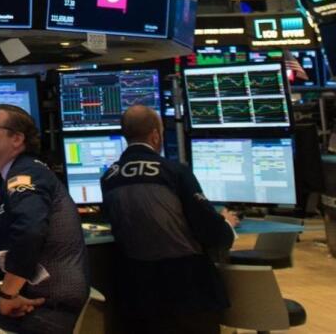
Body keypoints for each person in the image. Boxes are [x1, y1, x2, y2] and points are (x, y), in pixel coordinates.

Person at [0, 104, 88, 334]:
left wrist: (7, 293)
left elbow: (30, 230)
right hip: (11, 305)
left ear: (17, 139)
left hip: (41, 308)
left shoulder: (27, 174)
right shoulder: (6, 179)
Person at [100, 105, 238, 334]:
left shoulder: (109, 177)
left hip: (138, 292)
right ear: (155, 134)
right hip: (188, 290)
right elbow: (211, 232)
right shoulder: (174, 172)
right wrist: (227, 224)